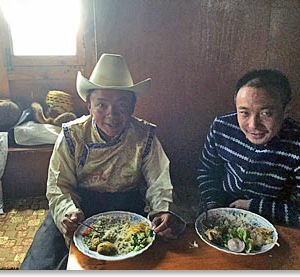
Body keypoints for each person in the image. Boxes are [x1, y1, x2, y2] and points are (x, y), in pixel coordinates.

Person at [20, 53, 185, 270]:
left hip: (126, 205)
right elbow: (59, 187)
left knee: (146, 261)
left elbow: (159, 182)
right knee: (43, 264)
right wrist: (68, 213)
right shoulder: (72, 135)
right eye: (102, 105)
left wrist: (162, 211)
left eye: (122, 105)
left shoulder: (145, 136)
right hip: (79, 206)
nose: (112, 114)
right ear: (89, 104)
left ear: (133, 107)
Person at [197, 69, 300, 227]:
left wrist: (254, 207)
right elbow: (206, 171)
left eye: (266, 114)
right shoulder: (222, 127)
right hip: (220, 208)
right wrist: (213, 206)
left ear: (285, 112)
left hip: (272, 221)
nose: (253, 125)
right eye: (244, 113)